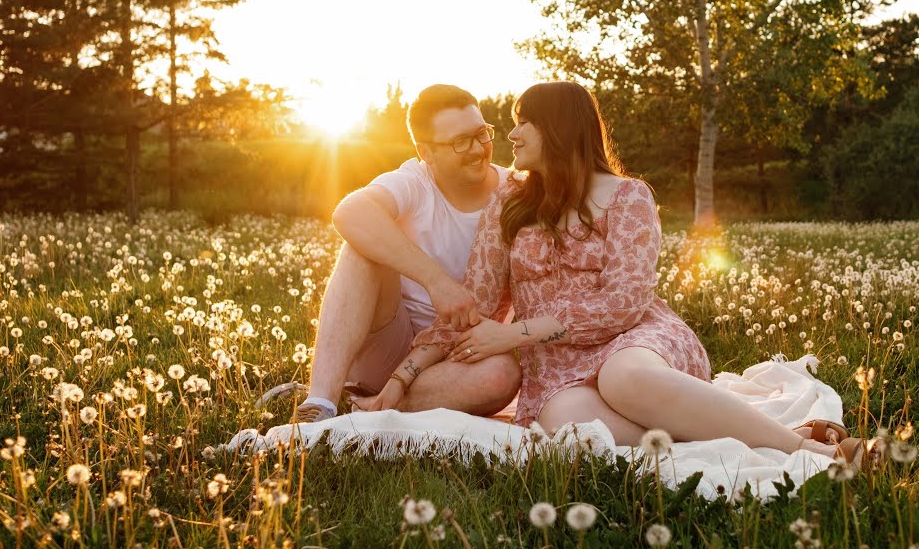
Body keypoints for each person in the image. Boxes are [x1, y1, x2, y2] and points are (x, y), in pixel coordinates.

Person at [370, 81, 868, 465]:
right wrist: (402, 376)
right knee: (563, 423)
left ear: (560, 130)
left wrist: (515, 333)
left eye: (524, 122)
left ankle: (813, 454)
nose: (512, 133)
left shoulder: (628, 197)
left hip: (636, 339)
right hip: (558, 368)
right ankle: (744, 436)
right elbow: (471, 303)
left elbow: (623, 302)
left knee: (623, 378)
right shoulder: (510, 200)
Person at [294, 84, 521, 423]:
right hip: (389, 347)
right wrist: (436, 282)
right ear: (426, 152)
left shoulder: (515, 194)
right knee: (361, 245)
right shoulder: (414, 181)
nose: (478, 149)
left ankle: (369, 406)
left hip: (459, 360)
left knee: (501, 375)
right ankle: (320, 404)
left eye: (482, 134)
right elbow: (349, 212)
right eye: (460, 141)